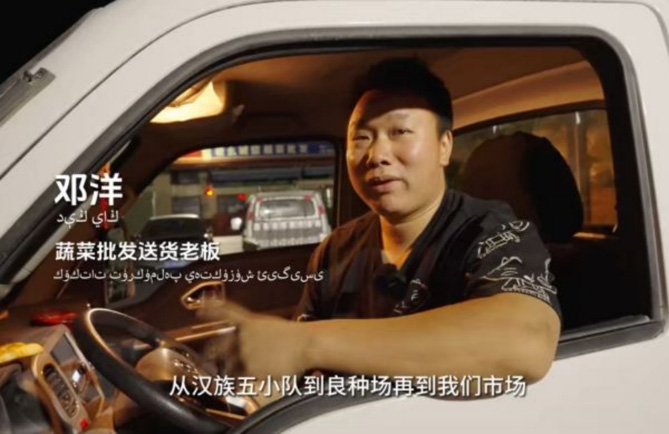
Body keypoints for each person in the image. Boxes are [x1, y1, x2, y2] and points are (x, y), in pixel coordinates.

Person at [203, 58, 561, 393]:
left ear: (444, 147)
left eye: (400, 131)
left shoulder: (494, 232)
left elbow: (525, 341)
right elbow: (303, 375)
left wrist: (307, 345)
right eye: (361, 138)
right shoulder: (335, 250)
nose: (377, 155)